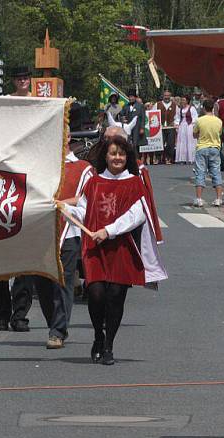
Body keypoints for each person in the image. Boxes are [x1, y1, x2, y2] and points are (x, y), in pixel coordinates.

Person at [62, 136, 166, 365]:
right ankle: (98, 335)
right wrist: (65, 209)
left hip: (121, 247)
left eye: (121, 153)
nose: (117, 158)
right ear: (105, 156)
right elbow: (84, 213)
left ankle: (108, 345)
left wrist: (108, 231)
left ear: (126, 157)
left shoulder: (135, 183)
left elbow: (135, 216)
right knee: (97, 294)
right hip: (95, 248)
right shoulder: (94, 182)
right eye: (113, 153)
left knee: (116, 296)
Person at [0, 66, 35, 331]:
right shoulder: (5, 105)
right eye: (18, 78)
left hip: (28, 186)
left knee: (24, 262)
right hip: (2, 186)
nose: (22, 81)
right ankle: (2, 314)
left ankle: (20, 315)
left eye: (25, 78)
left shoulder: (38, 105)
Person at [34, 149, 94, 349]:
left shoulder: (83, 168)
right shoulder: (37, 165)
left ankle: (57, 330)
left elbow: (87, 200)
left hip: (68, 232)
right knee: (42, 282)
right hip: (40, 231)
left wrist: (62, 204)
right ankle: (55, 323)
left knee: (63, 280)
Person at [192, 99, 223, 207]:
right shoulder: (218, 121)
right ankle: (219, 198)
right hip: (215, 147)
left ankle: (199, 198)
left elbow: (194, 134)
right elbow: (219, 134)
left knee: (200, 172)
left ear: (204, 108)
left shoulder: (199, 120)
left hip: (202, 147)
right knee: (216, 172)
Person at [121, 89, 147, 153]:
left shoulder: (140, 106)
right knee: (128, 143)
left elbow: (143, 118)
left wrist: (142, 128)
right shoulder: (125, 106)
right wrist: (122, 119)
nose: (131, 98)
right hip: (128, 128)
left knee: (136, 144)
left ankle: (137, 159)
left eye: (132, 97)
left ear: (135, 97)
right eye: (129, 97)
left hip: (137, 127)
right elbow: (121, 115)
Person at [157, 90, 179, 166]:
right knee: (160, 143)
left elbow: (177, 116)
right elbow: (153, 115)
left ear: (170, 96)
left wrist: (175, 123)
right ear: (163, 96)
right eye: (165, 95)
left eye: (168, 96)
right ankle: (159, 158)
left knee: (170, 143)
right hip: (160, 127)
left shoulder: (174, 105)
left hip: (170, 127)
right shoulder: (157, 104)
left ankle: (168, 158)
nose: (166, 97)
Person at [175, 95, 198, 164]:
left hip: (189, 125)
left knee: (190, 141)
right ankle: (183, 158)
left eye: (184, 100)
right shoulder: (180, 109)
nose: (182, 101)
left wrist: (193, 125)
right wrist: (176, 123)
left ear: (187, 101)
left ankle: (191, 158)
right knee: (182, 141)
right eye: (182, 100)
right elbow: (178, 117)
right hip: (182, 125)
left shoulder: (192, 108)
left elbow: (195, 117)